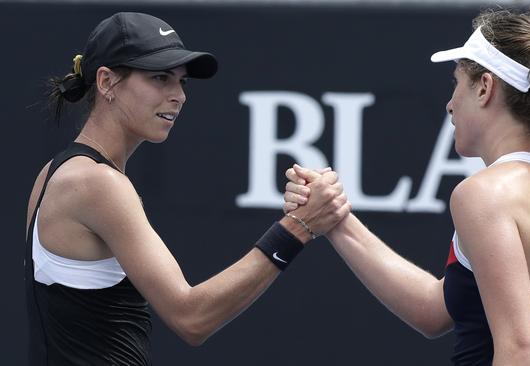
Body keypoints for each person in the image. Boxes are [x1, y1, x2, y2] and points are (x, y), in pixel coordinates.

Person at [283, 8, 530, 366]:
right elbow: (434, 310)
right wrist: (335, 219)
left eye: (457, 83)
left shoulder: (486, 194)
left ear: (485, 87)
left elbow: (523, 352)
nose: (450, 104)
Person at [25, 12, 350, 365]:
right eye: (160, 78)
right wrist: (297, 228)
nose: (178, 95)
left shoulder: (58, 172)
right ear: (106, 82)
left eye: (181, 82)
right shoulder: (97, 183)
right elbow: (192, 317)